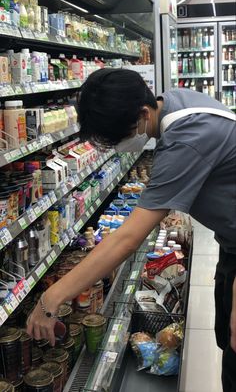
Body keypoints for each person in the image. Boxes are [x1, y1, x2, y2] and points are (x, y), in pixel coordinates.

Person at [27, 68, 236, 391]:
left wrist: (50, 298)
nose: (121, 145)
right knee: (227, 338)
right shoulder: (173, 102)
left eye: (120, 136)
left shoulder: (186, 138)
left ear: (143, 112)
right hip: (231, 241)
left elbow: (128, 239)